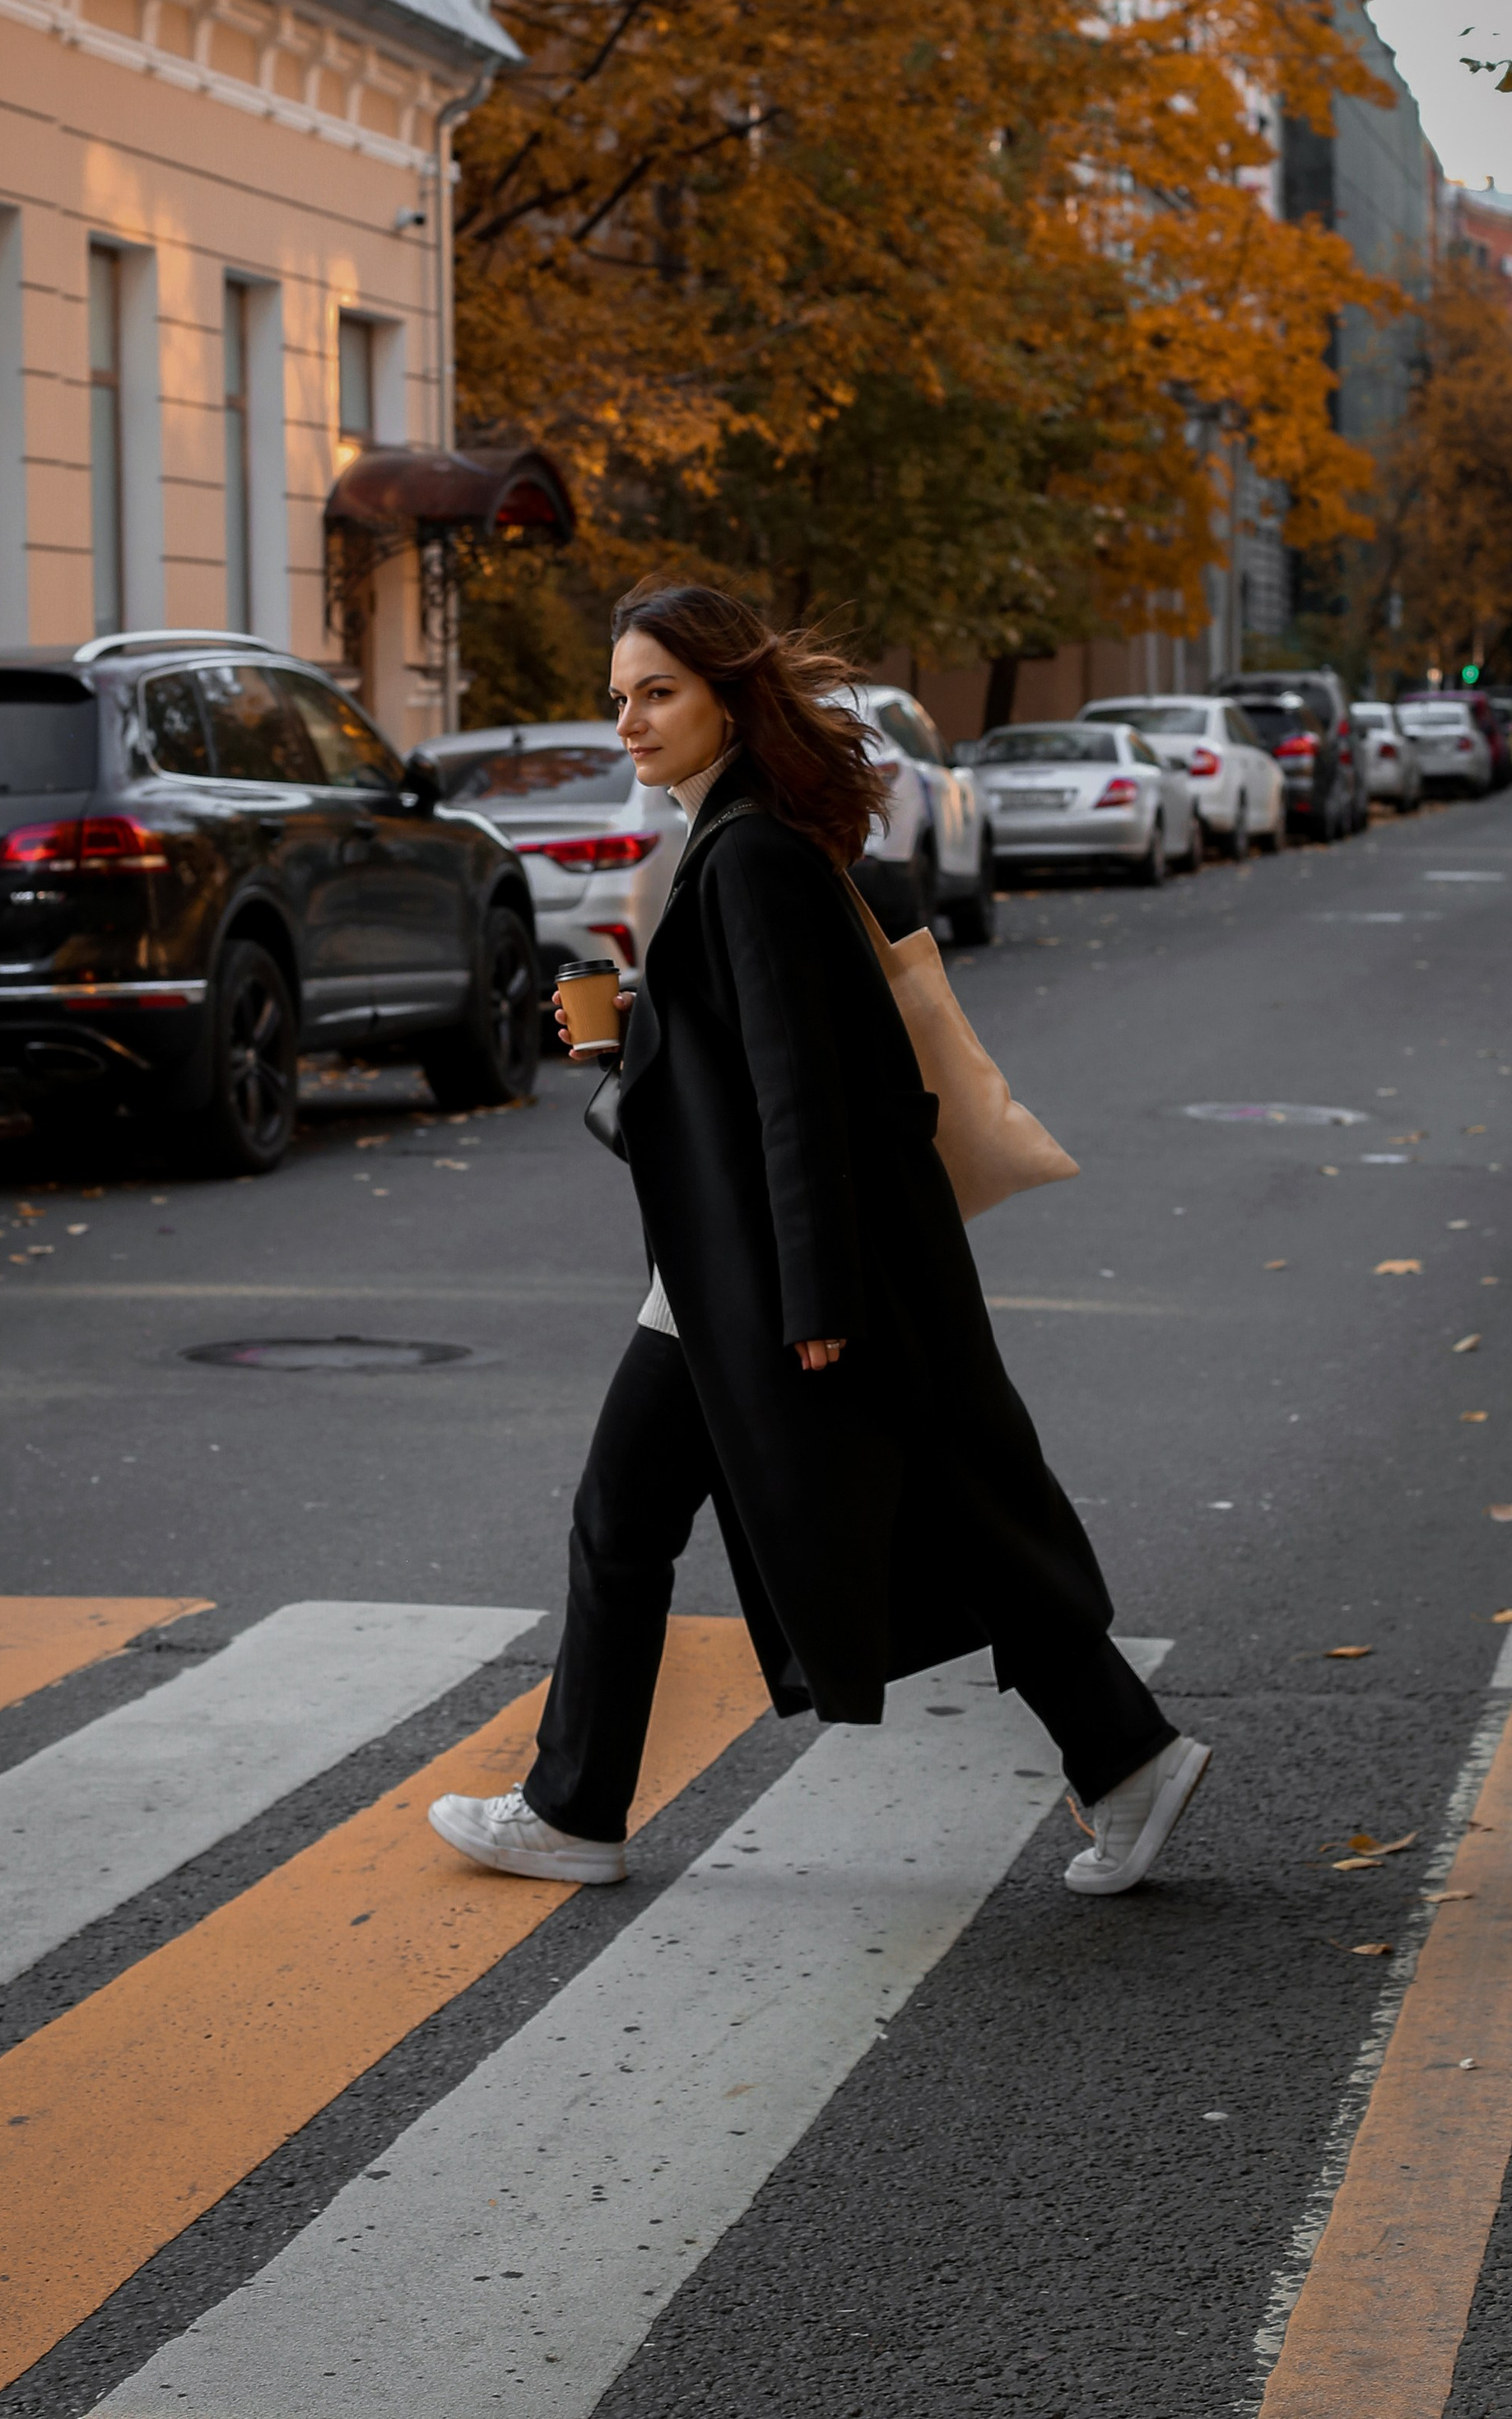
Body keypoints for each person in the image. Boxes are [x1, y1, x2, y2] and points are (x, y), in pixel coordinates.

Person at [428, 582, 1208, 1896]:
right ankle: (1123, 1756)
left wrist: (812, 1297)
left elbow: (799, 1093)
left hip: (787, 1274)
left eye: (656, 692)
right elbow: (741, 1083)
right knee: (884, 1514)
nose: (628, 720)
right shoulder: (742, 837)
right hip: (759, 1268)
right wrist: (627, 1054)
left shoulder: (747, 858)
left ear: (730, 693)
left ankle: (577, 1811)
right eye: (618, 696)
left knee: (901, 1515)